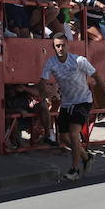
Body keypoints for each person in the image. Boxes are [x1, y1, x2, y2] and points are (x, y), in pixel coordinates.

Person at [41, 35, 99, 180]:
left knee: (74, 134)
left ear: (68, 45)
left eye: (62, 45)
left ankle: (74, 169)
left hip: (83, 100)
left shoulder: (79, 60)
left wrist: (104, 92)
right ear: (53, 47)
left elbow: (96, 74)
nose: (60, 48)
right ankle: (86, 157)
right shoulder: (51, 62)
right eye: (57, 46)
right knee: (63, 138)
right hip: (67, 102)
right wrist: (47, 91)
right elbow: (43, 81)